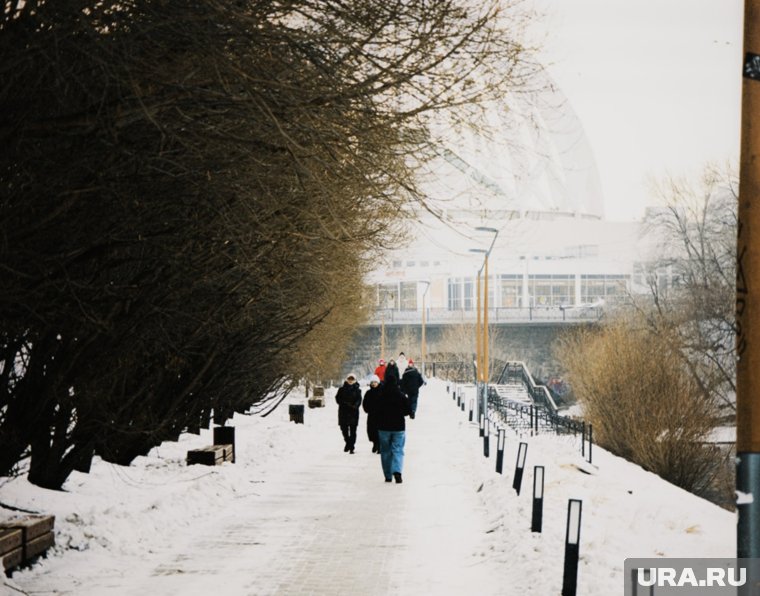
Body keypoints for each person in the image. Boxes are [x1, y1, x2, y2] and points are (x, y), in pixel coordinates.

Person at [374, 368, 411, 483]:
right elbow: (407, 411)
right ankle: (397, 471)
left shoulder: (380, 396)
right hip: (398, 427)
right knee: (398, 450)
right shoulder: (401, 396)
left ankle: (388, 475)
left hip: (383, 428)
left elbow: (375, 411)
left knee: (385, 451)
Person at [334, 373, 362, 454]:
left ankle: (352, 446)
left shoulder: (358, 390)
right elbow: (337, 399)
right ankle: (348, 442)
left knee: (353, 430)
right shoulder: (341, 389)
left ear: (355, 380)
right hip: (343, 412)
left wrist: (355, 406)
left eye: (352, 379)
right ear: (347, 379)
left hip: (353, 412)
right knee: (344, 430)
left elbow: (359, 400)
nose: (350, 380)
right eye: (349, 379)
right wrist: (344, 404)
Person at [362, 374, 382, 453]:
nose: (374, 384)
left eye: (375, 382)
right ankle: (375, 443)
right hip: (371, 414)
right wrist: (367, 409)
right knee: (371, 430)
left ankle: (379, 445)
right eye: (372, 382)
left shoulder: (382, 391)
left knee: (379, 430)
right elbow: (365, 403)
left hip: (380, 415)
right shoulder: (368, 393)